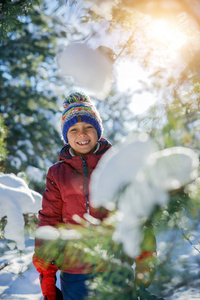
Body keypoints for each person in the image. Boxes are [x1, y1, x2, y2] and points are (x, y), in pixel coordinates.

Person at [33, 92, 157, 300]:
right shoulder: (57, 173)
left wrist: (145, 260)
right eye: (73, 129)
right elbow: (49, 222)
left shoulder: (117, 165)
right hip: (74, 274)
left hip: (116, 268)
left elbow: (137, 214)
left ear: (98, 130)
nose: (82, 135)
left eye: (88, 127)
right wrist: (47, 273)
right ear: (66, 135)